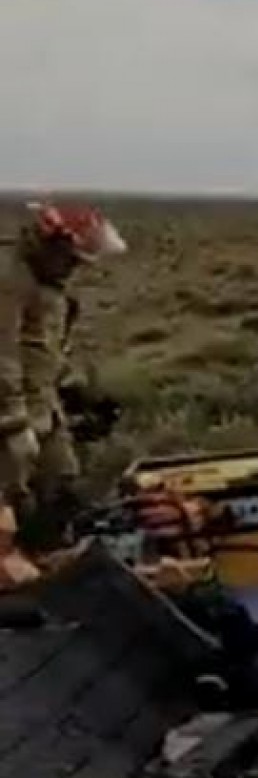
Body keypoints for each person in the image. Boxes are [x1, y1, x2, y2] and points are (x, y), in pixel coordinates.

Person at [2, 203, 125, 540]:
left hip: (42, 410)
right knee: (15, 513)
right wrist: (13, 424)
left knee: (63, 496)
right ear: (51, 246)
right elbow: (4, 356)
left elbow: (41, 351)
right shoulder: (10, 280)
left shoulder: (46, 286)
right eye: (72, 259)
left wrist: (72, 394)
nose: (75, 268)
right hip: (15, 419)